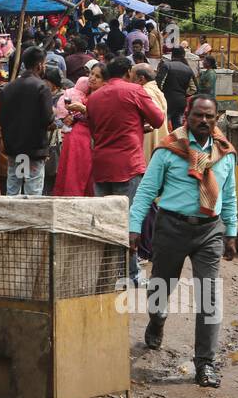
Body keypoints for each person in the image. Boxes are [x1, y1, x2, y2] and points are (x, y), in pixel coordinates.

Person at [130, 95, 237, 388]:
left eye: (210, 117)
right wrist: (133, 227)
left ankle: (205, 364)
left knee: (209, 296)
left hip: (210, 231)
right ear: (186, 116)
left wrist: (231, 233)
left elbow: (229, 195)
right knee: (160, 289)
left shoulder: (226, 152)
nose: (204, 121)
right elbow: (146, 191)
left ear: (217, 119)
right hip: (172, 227)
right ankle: (157, 320)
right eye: (198, 115)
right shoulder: (168, 150)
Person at [85, 57, 166, 284]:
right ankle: (131, 274)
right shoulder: (134, 91)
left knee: (105, 221)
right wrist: (139, 125)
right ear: (128, 72)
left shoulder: (94, 97)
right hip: (128, 165)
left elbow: (94, 129)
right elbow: (158, 119)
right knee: (130, 221)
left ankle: (105, 275)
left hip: (101, 165)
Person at [0, 47, 54, 196]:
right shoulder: (42, 87)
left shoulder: (8, 88)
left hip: (14, 150)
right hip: (34, 150)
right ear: (40, 65)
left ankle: (11, 219)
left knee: (13, 190)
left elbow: (1, 120)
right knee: (33, 191)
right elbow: (48, 118)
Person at [53, 66, 104, 197]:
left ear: (105, 81)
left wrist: (83, 111)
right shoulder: (83, 93)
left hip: (87, 140)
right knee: (72, 172)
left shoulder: (103, 97)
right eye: (92, 74)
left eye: (97, 76)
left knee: (81, 174)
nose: (92, 78)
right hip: (76, 139)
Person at [133, 63, 170, 162]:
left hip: (148, 144)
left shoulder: (145, 92)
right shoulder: (156, 91)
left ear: (141, 79)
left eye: (132, 79)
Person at [156, 46, 196, 129]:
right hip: (181, 102)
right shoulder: (188, 69)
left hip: (167, 101)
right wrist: (183, 94)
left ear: (172, 55)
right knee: (178, 127)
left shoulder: (167, 66)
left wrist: (161, 95)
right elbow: (194, 89)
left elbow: (159, 84)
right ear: (183, 55)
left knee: (163, 127)